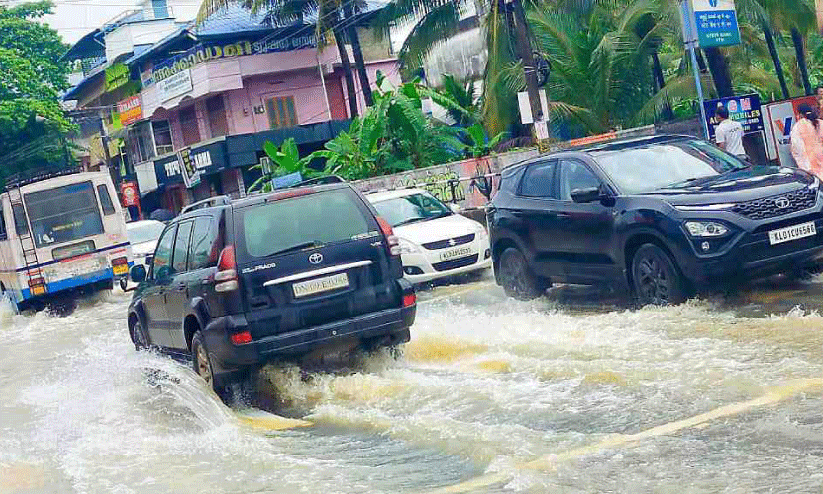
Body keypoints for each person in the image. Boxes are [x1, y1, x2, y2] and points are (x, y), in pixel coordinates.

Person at [790, 103, 823, 177]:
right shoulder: (820, 123)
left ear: (799, 114)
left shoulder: (797, 127)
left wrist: (805, 168)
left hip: (811, 169)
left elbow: (797, 149)